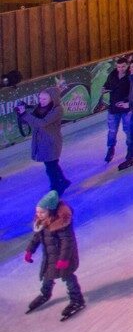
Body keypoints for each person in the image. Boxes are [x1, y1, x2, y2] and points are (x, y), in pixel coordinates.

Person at [24, 190, 84, 320]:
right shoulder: (42, 223)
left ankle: (77, 299)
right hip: (51, 257)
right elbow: (36, 238)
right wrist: (30, 251)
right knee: (47, 275)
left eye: (42, 212)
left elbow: (67, 242)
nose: (38, 215)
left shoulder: (61, 224)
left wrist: (64, 259)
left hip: (65, 257)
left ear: (50, 211)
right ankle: (45, 293)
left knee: (68, 277)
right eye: (37, 212)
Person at [15, 88, 69, 194]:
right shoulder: (39, 108)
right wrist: (21, 114)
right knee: (52, 164)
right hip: (41, 141)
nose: (41, 101)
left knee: (51, 166)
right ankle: (63, 181)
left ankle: (56, 188)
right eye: (40, 98)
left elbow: (42, 123)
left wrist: (25, 114)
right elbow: (30, 122)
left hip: (51, 141)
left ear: (52, 99)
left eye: (44, 99)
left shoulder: (57, 110)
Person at [101, 56, 133, 163]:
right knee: (112, 131)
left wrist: (127, 102)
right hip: (113, 109)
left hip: (126, 109)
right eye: (118, 67)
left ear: (127, 66)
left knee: (129, 131)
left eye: (123, 67)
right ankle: (110, 149)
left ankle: (131, 151)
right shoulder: (112, 74)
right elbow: (106, 85)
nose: (120, 69)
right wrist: (104, 89)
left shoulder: (131, 77)